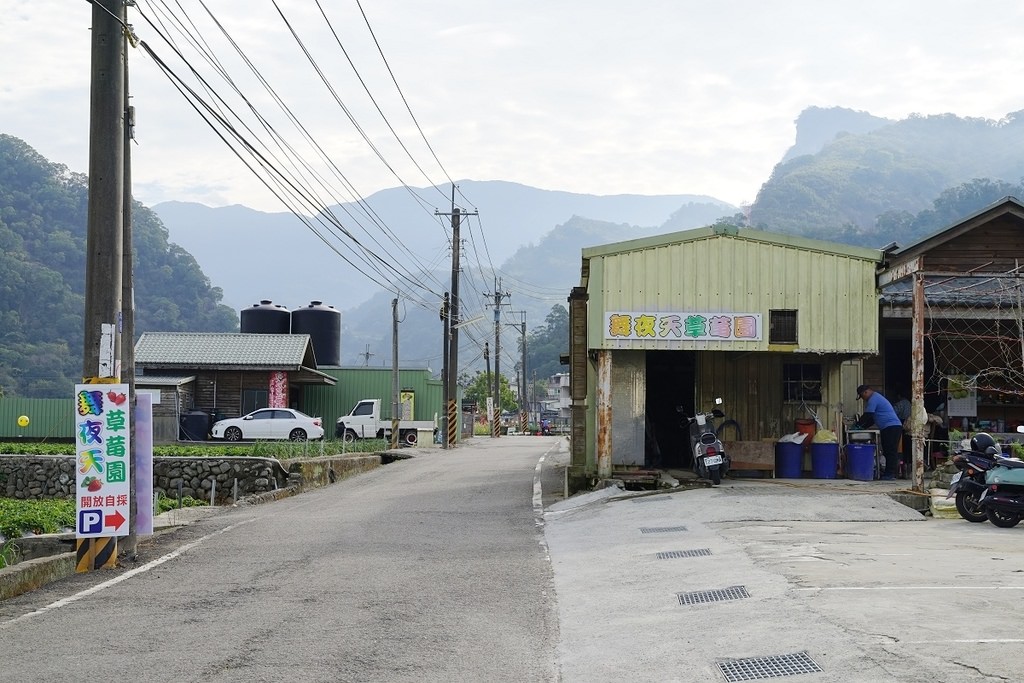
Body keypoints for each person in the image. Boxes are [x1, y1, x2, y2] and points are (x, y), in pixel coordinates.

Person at [855, 384, 903, 480]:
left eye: (862, 396)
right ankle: (889, 473)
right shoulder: (876, 398)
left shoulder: (873, 398)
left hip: (891, 427)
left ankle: (890, 474)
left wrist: (857, 425)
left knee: (890, 451)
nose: (863, 399)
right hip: (889, 427)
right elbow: (872, 419)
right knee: (888, 450)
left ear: (866, 392)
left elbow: (868, 415)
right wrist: (862, 427)